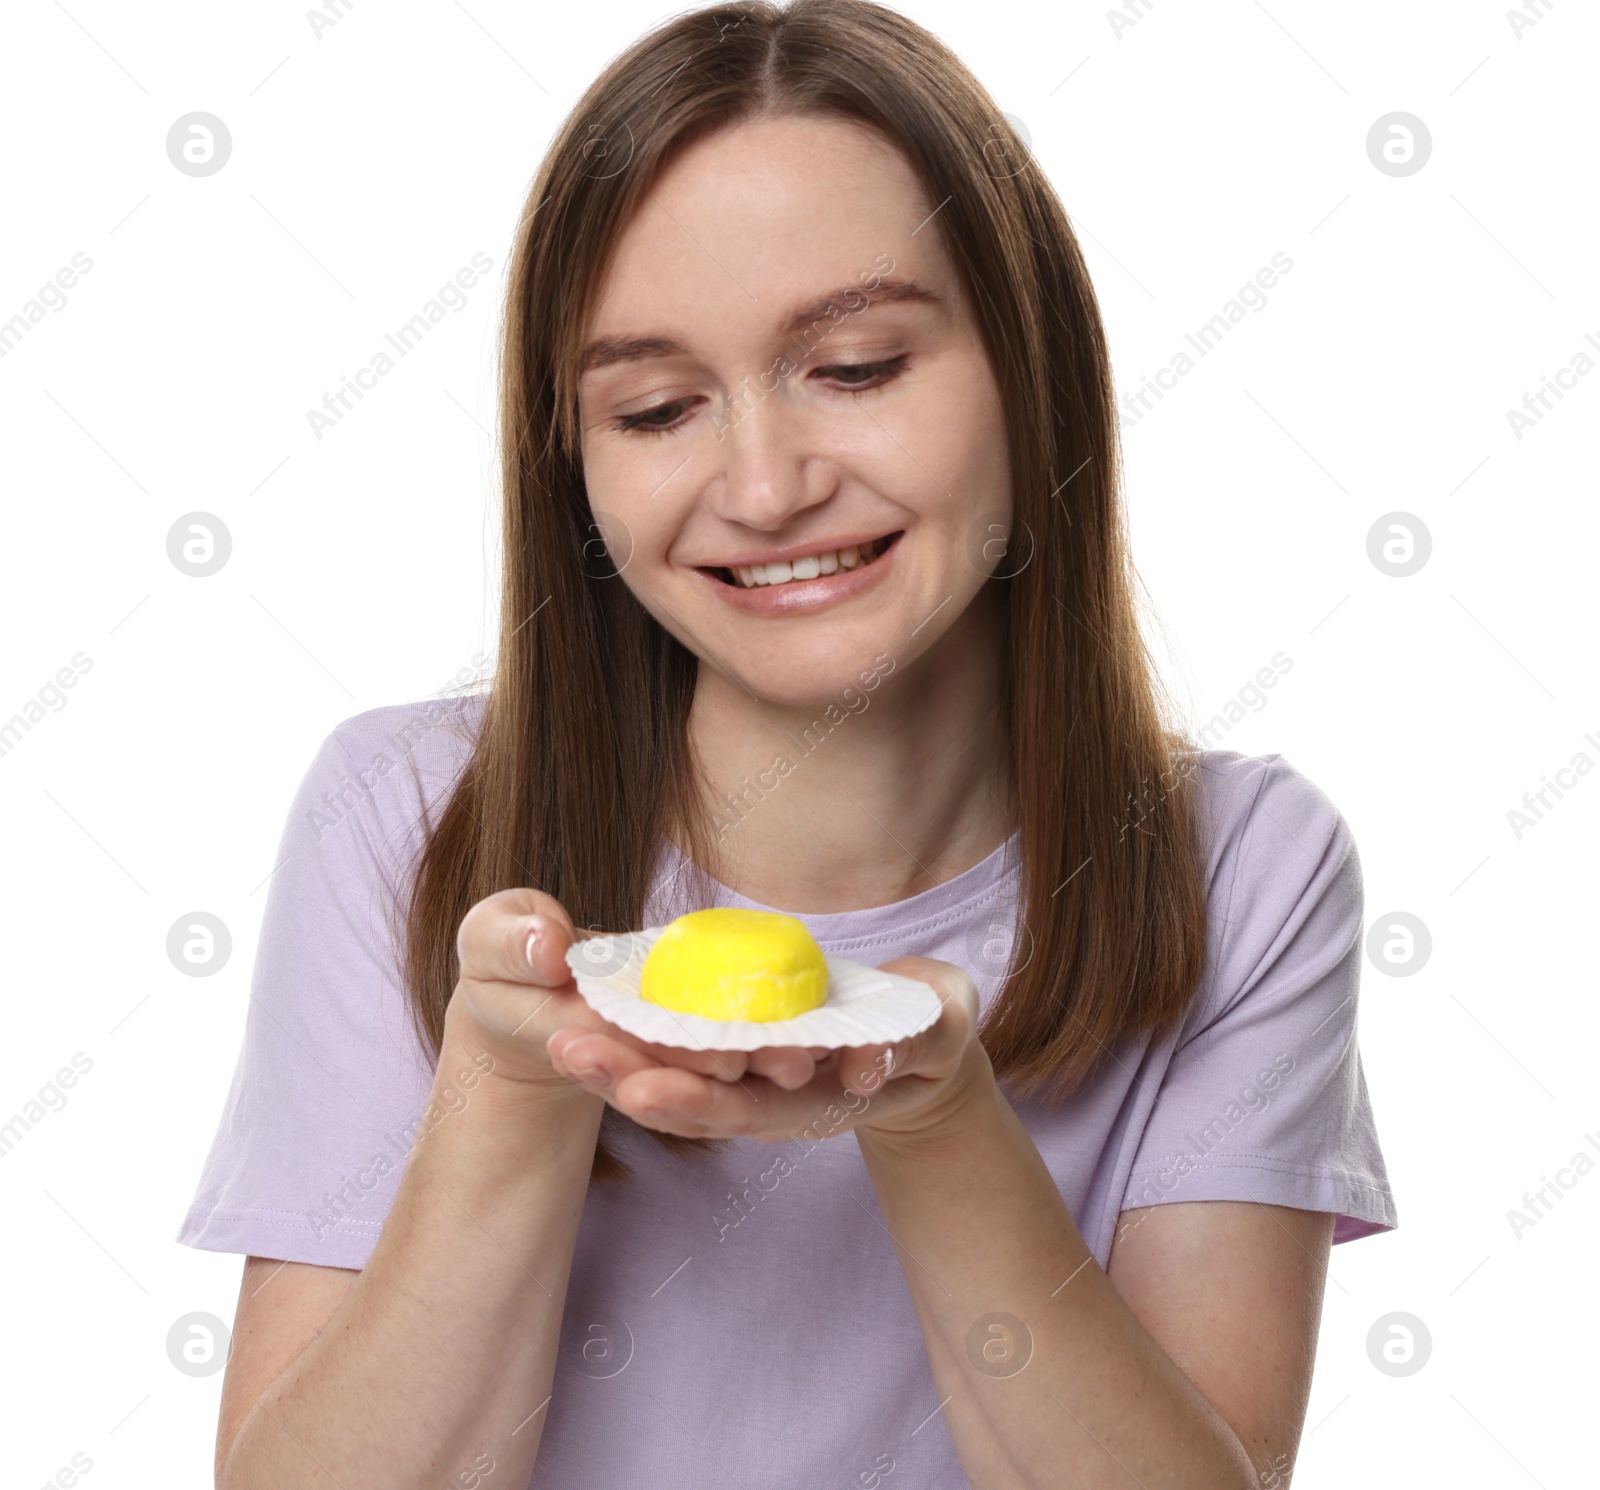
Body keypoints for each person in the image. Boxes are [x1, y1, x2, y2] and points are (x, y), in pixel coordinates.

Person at [180, 2, 1397, 1485]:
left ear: (1031, 372)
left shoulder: (1243, 873)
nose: (763, 486)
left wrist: (936, 1112)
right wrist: (511, 1089)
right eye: (659, 406)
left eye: (859, 366)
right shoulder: (411, 817)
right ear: (575, 466)